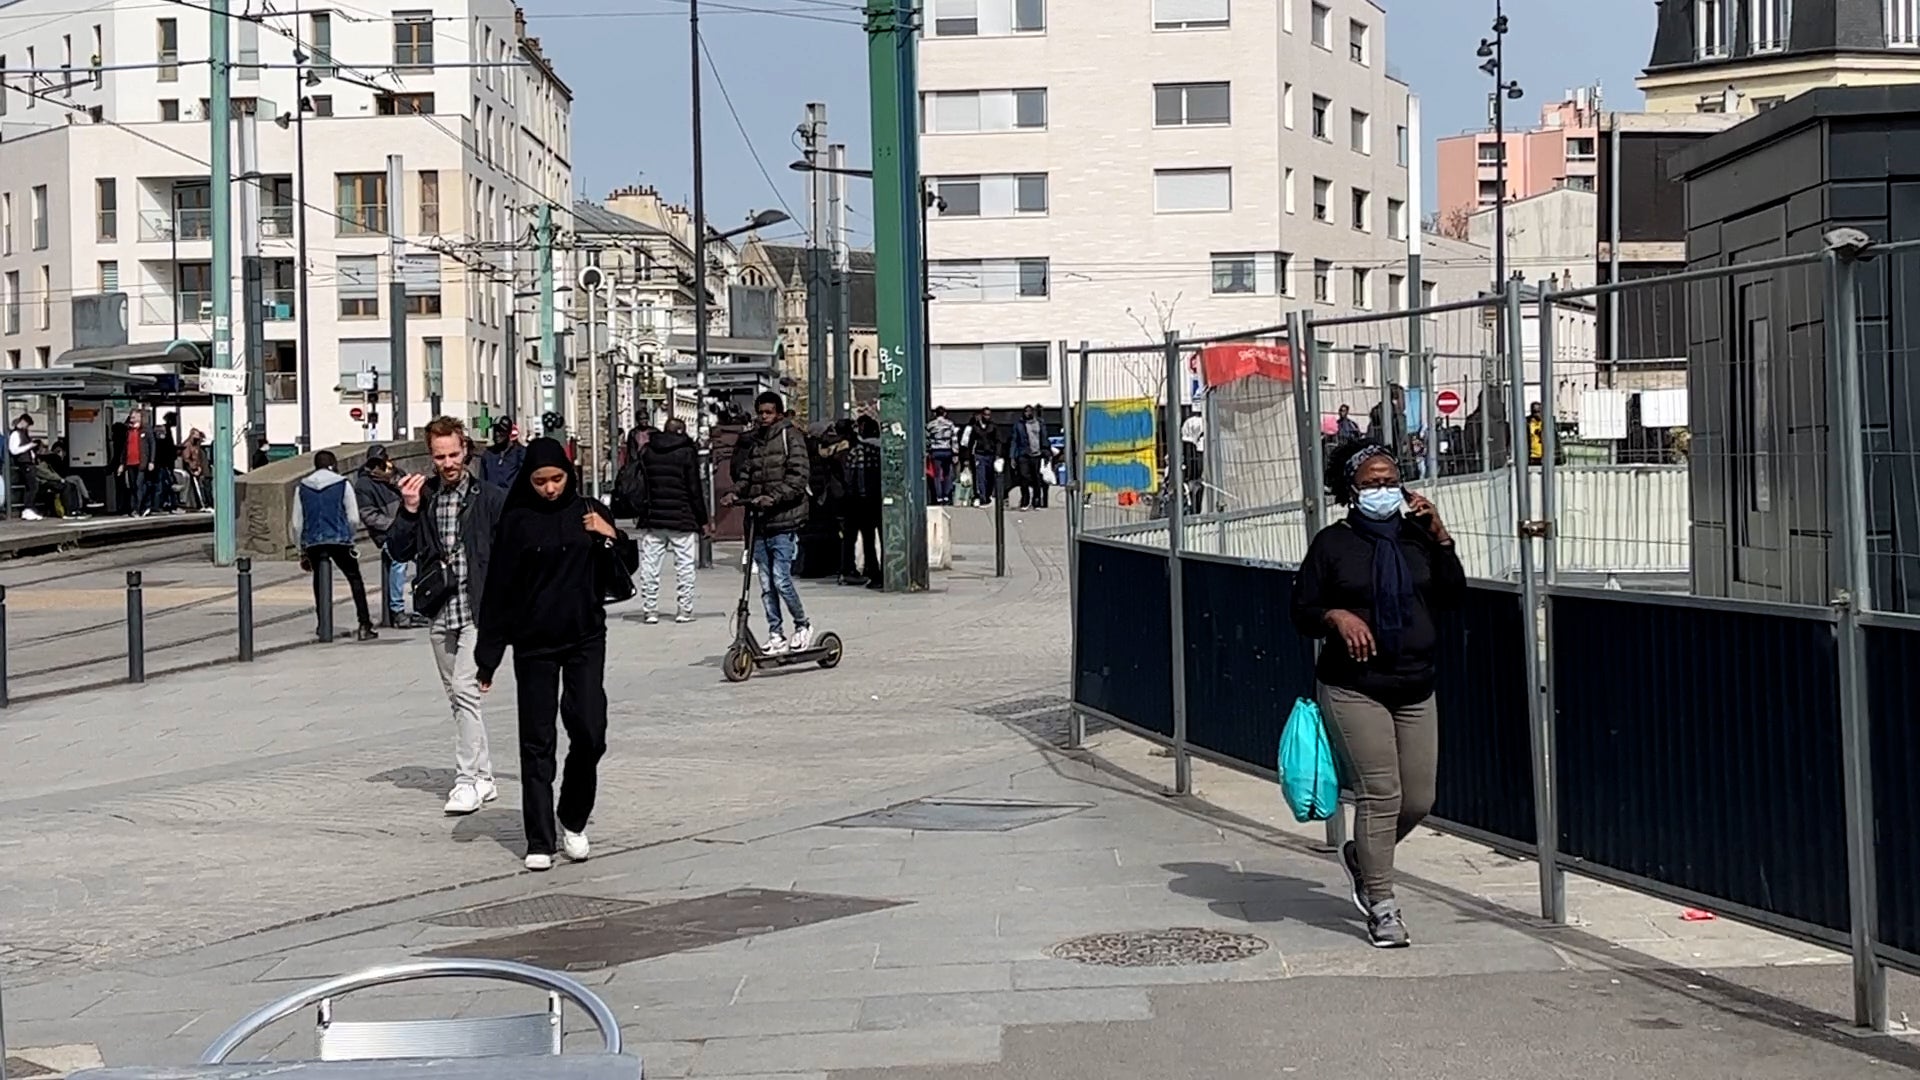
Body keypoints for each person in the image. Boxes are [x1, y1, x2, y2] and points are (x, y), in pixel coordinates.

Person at [1290, 439, 1463, 949]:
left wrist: (1442, 536)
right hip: (1354, 685)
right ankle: (1383, 905)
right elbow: (1302, 611)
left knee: (1420, 798)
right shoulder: (1332, 543)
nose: (1383, 490)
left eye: (1390, 481)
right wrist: (1336, 616)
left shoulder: (1418, 538)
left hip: (1415, 682)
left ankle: (1362, 856)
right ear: (1351, 489)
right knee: (1380, 794)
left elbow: (1453, 595)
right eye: (1371, 482)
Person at [475, 438, 621, 871]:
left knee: (590, 730)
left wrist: (609, 535)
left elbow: (622, 567)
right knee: (537, 740)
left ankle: (573, 818)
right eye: (540, 481)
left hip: (585, 637)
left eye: (557, 479)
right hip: (534, 644)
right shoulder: (517, 521)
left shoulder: (589, 512)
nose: (550, 488)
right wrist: (488, 657)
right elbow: (498, 590)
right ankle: (539, 838)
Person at [389, 417, 506, 816]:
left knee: (465, 689)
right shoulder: (426, 497)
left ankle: (466, 781)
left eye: (454, 454)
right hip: (440, 608)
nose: (448, 462)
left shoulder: (490, 497)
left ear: (466, 451)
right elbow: (398, 550)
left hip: (478, 608)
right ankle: (486, 777)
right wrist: (407, 510)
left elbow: (511, 550)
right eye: (439, 456)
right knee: (460, 700)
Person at [729, 390, 813, 652]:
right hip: (760, 522)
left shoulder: (791, 436)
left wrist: (773, 498)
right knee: (765, 583)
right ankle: (776, 632)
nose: (764, 417)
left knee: (781, 579)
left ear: (778, 413)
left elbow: (798, 478)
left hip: (784, 520)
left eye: (769, 412)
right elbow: (748, 474)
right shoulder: (756, 442)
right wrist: (736, 493)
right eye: (761, 412)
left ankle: (802, 624)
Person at [289, 450, 378, 643]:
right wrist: (349, 535)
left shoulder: (302, 486)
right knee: (354, 578)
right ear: (333, 464)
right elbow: (353, 517)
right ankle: (364, 624)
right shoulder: (342, 483)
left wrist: (301, 549)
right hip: (339, 539)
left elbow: (297, 523)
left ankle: (323, 625)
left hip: (313, 541)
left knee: (319, 582)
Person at [634, 416, 706, 624]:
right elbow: (694, 489)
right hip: (682, 517)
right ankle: (684, 610)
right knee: (684, 565)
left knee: (650, 565)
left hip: (653, 517)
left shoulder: (647, 451)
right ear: (682, 432)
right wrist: (702, 519)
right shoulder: (686, 452)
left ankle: (650, 610)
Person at [355, 447, 428, 630]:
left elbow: (411, 493)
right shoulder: (363, 484)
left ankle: (421, 606)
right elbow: (369, 516)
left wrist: (393, 480)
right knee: (398, 562)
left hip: (408, 530)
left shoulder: (397, 474)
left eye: (381, 462)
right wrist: (394, 525)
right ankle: (398, 610)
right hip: (387, 534)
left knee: (426, 558)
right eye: (374, 463)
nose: (377, 467)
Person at [844, 415, 883, 589]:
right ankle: (885, 572)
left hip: (861, 501)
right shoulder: (883, 450)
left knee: (868, 539)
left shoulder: (857, 450)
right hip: (880, 500)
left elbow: (849, 477)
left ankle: (872, 571)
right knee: (884, 537)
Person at [118, 410, 158, 516]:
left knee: (139, 484)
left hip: (141, 463)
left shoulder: (146, 430)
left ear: (140, 417)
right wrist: (122, 463)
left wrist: (151, 461)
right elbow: (124, 448)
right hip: (130, 462)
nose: (132, 419)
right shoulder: (128, 431)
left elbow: (152, 445)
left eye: (134, 417)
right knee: (132, 487)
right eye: (131, 417)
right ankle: (136, 508)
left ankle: (138, 508)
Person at [1010, 405, 1047, 510]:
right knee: (1024, 477)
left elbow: (1044, 438)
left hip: (1037, 454)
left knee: (1036, 478)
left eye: (1029, 411)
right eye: (1026, 411)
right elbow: (1014, 440)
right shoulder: (1019, 425)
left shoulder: (1039, 423)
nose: (1027, 413)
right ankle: (1025, 500)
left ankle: (1037, 501)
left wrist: (1046, 452)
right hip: (1023, 454)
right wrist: (1012, 456)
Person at [964, 409, 1001, 507]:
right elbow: (970, 443)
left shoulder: (993, 427)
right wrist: (967, 458)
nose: (987, 417)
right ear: (982, 415)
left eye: (989, 415)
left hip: (991, 454)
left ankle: (988, 495)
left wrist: (998, 454)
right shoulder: (975, 427)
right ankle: (982, 497)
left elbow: (998, 441)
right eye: (985, 415)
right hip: (979, 454)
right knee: (981, 476)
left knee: (990, 476)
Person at [926, 406, 958, 506]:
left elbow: (927, 439)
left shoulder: (930, 425)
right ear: (944, 414)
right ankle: (946, 495)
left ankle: (938, 497)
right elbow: (954, 439)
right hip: (947, 451)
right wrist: (955, 453)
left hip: (936, 451)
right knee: (947, 474)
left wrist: (928, 451)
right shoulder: (950, 424)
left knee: (936, 475)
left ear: (935, 414)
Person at [479, 420, 525, 489]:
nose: (497, 434)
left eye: (501, 430)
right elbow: (482, 480)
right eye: (495, 430)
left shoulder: (520, 453)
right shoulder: (488, 454)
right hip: (491, 497)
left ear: (508, 432)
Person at [180, 429, 212, 512]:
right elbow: (187, 459)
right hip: (195, 470)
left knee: (205, 486)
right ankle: (203, 504)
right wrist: (194, 468)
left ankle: (206, 503)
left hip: (201, 469)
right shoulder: (188, 445)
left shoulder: (196, 445)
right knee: (200, 488)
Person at [1526, 401, 1545, 465]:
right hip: (1532, 456)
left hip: (1544, 455)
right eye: (1534, 412)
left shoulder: (1546, 422)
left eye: (1538, 411)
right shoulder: (1528, 422)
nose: (1536, 414)